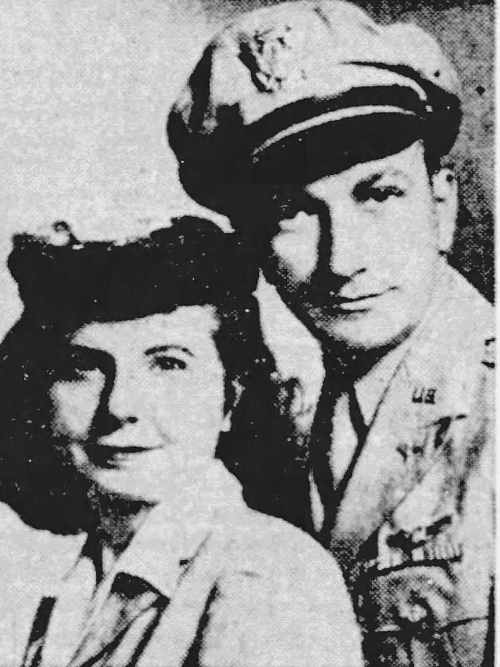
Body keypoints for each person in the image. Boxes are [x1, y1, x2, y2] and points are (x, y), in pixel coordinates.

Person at [167, 2, 494, 666]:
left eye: (378, 194)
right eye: (290, 212)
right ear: (253, 245)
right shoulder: (279, 426)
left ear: (442, 205)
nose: (342, 259)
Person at [0, 219, 363, 667]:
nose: (120, 406)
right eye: (82, 368)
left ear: (232, 397)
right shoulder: (81, 572)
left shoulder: (271, 577)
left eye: (168, 364)